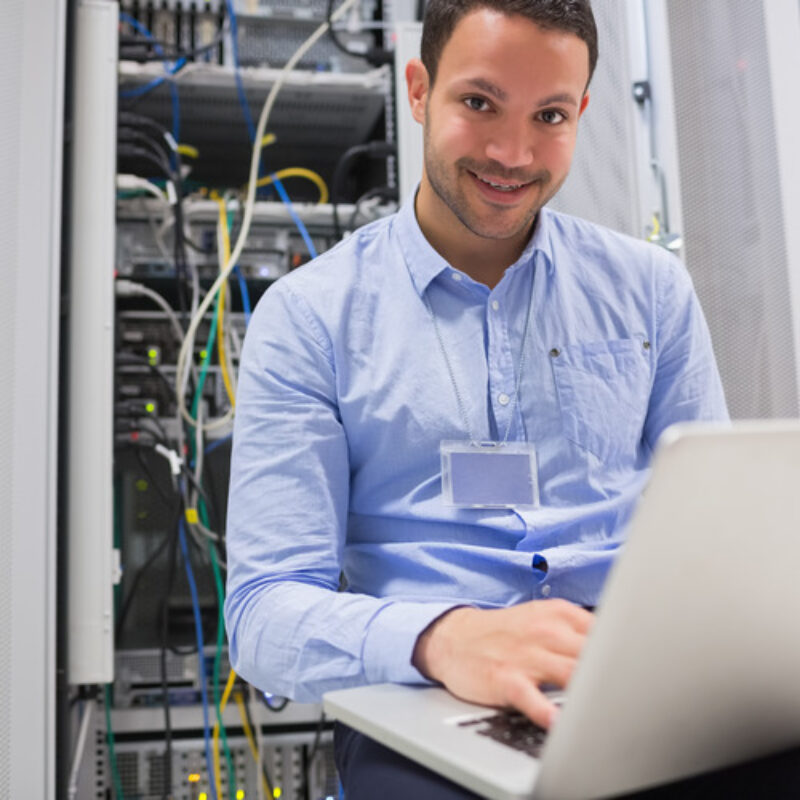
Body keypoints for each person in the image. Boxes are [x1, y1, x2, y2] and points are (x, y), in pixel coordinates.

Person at [225, 1, 734, 796]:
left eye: (550, 115)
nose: (512, 152)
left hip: (630, 679)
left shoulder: (651, 293)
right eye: (480, 102)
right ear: (420, 89)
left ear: (583, 113)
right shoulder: (311, 317)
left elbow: (718, 543)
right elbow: (261, 614)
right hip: (429, 694)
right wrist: (441, 639)